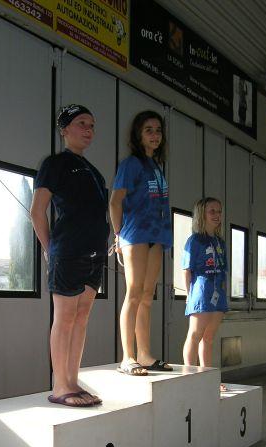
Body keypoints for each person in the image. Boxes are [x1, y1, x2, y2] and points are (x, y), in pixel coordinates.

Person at [30, 104, 109, 406]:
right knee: (64, 318)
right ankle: (60, 386)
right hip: (68, 251)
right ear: (64, 130)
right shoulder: (55, 163)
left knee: (82, 318)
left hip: (95, 253)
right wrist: (50, 249)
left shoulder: (94, 171)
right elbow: (37, 212)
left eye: (91, 125)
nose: (88, 130)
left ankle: (73, 381)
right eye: (81, 123)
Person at [110, 111, 173, 376]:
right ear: (138, 134)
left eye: (158, 130)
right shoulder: (131, 164)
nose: (155, 135)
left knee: (147, 296)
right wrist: (118, 236)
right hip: (135, 234)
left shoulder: (156, 167)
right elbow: (115, 202)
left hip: (156, 236)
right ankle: (128, 357)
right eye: (149, 130)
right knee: (134, 293)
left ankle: (145, 355)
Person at [182, 197, 228, 370]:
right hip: (201, 292)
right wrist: (189, 295)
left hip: (218, 293)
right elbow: (187, 270)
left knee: (208, 338)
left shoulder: (220, 242)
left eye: (219, 211)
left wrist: (222, 291)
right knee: (195, 335)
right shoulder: (194, 240)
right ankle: (189, 374)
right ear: (202, 214)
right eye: (212, 211)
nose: (217, 215)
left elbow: (223, 269)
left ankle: (207, 376)